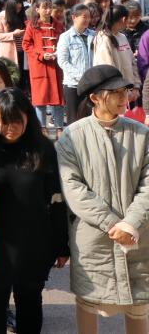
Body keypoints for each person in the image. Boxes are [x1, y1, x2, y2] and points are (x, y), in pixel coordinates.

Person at [57, 66, 149, 334]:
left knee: (138, 304)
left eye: (125, 91)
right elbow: (73, 188)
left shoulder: (141, 134)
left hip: (138, 234)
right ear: (95, 98)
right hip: (94, 238)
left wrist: (130, 224)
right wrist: (113, 224)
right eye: (115, 92)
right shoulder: (72, 136)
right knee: (89, 302)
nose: (124, 98)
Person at [0, 89, 69, 334]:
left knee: (30, 303)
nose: (11, 127)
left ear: (28, 116)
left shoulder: (43, 148)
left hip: (33, 242)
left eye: (17, 120)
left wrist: (61, 244)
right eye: (4, 120)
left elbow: (56, 198)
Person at [22, 0, 65, 133]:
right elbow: (26, 44)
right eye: (44, 8)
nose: (48, 10)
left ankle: (59, 127)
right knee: (40, 99)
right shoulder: (32, 25)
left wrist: (58, 53)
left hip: (56, 65)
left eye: (49, 7)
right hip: (39, 66)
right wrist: (40, 54)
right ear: (37, 9)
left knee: (58, 98)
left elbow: (63, 43)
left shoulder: (58, 25)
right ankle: (42, 128)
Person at [57, 4, 96, 124]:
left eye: (89, 17)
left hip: (91, 85)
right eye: (84, 17)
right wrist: (81, 77)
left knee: (90, 120)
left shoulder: (94, 35)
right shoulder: (65, 37)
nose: (87, 20)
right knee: (74, 121)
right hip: (73, 85)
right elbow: (63, 61)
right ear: (74, 17)